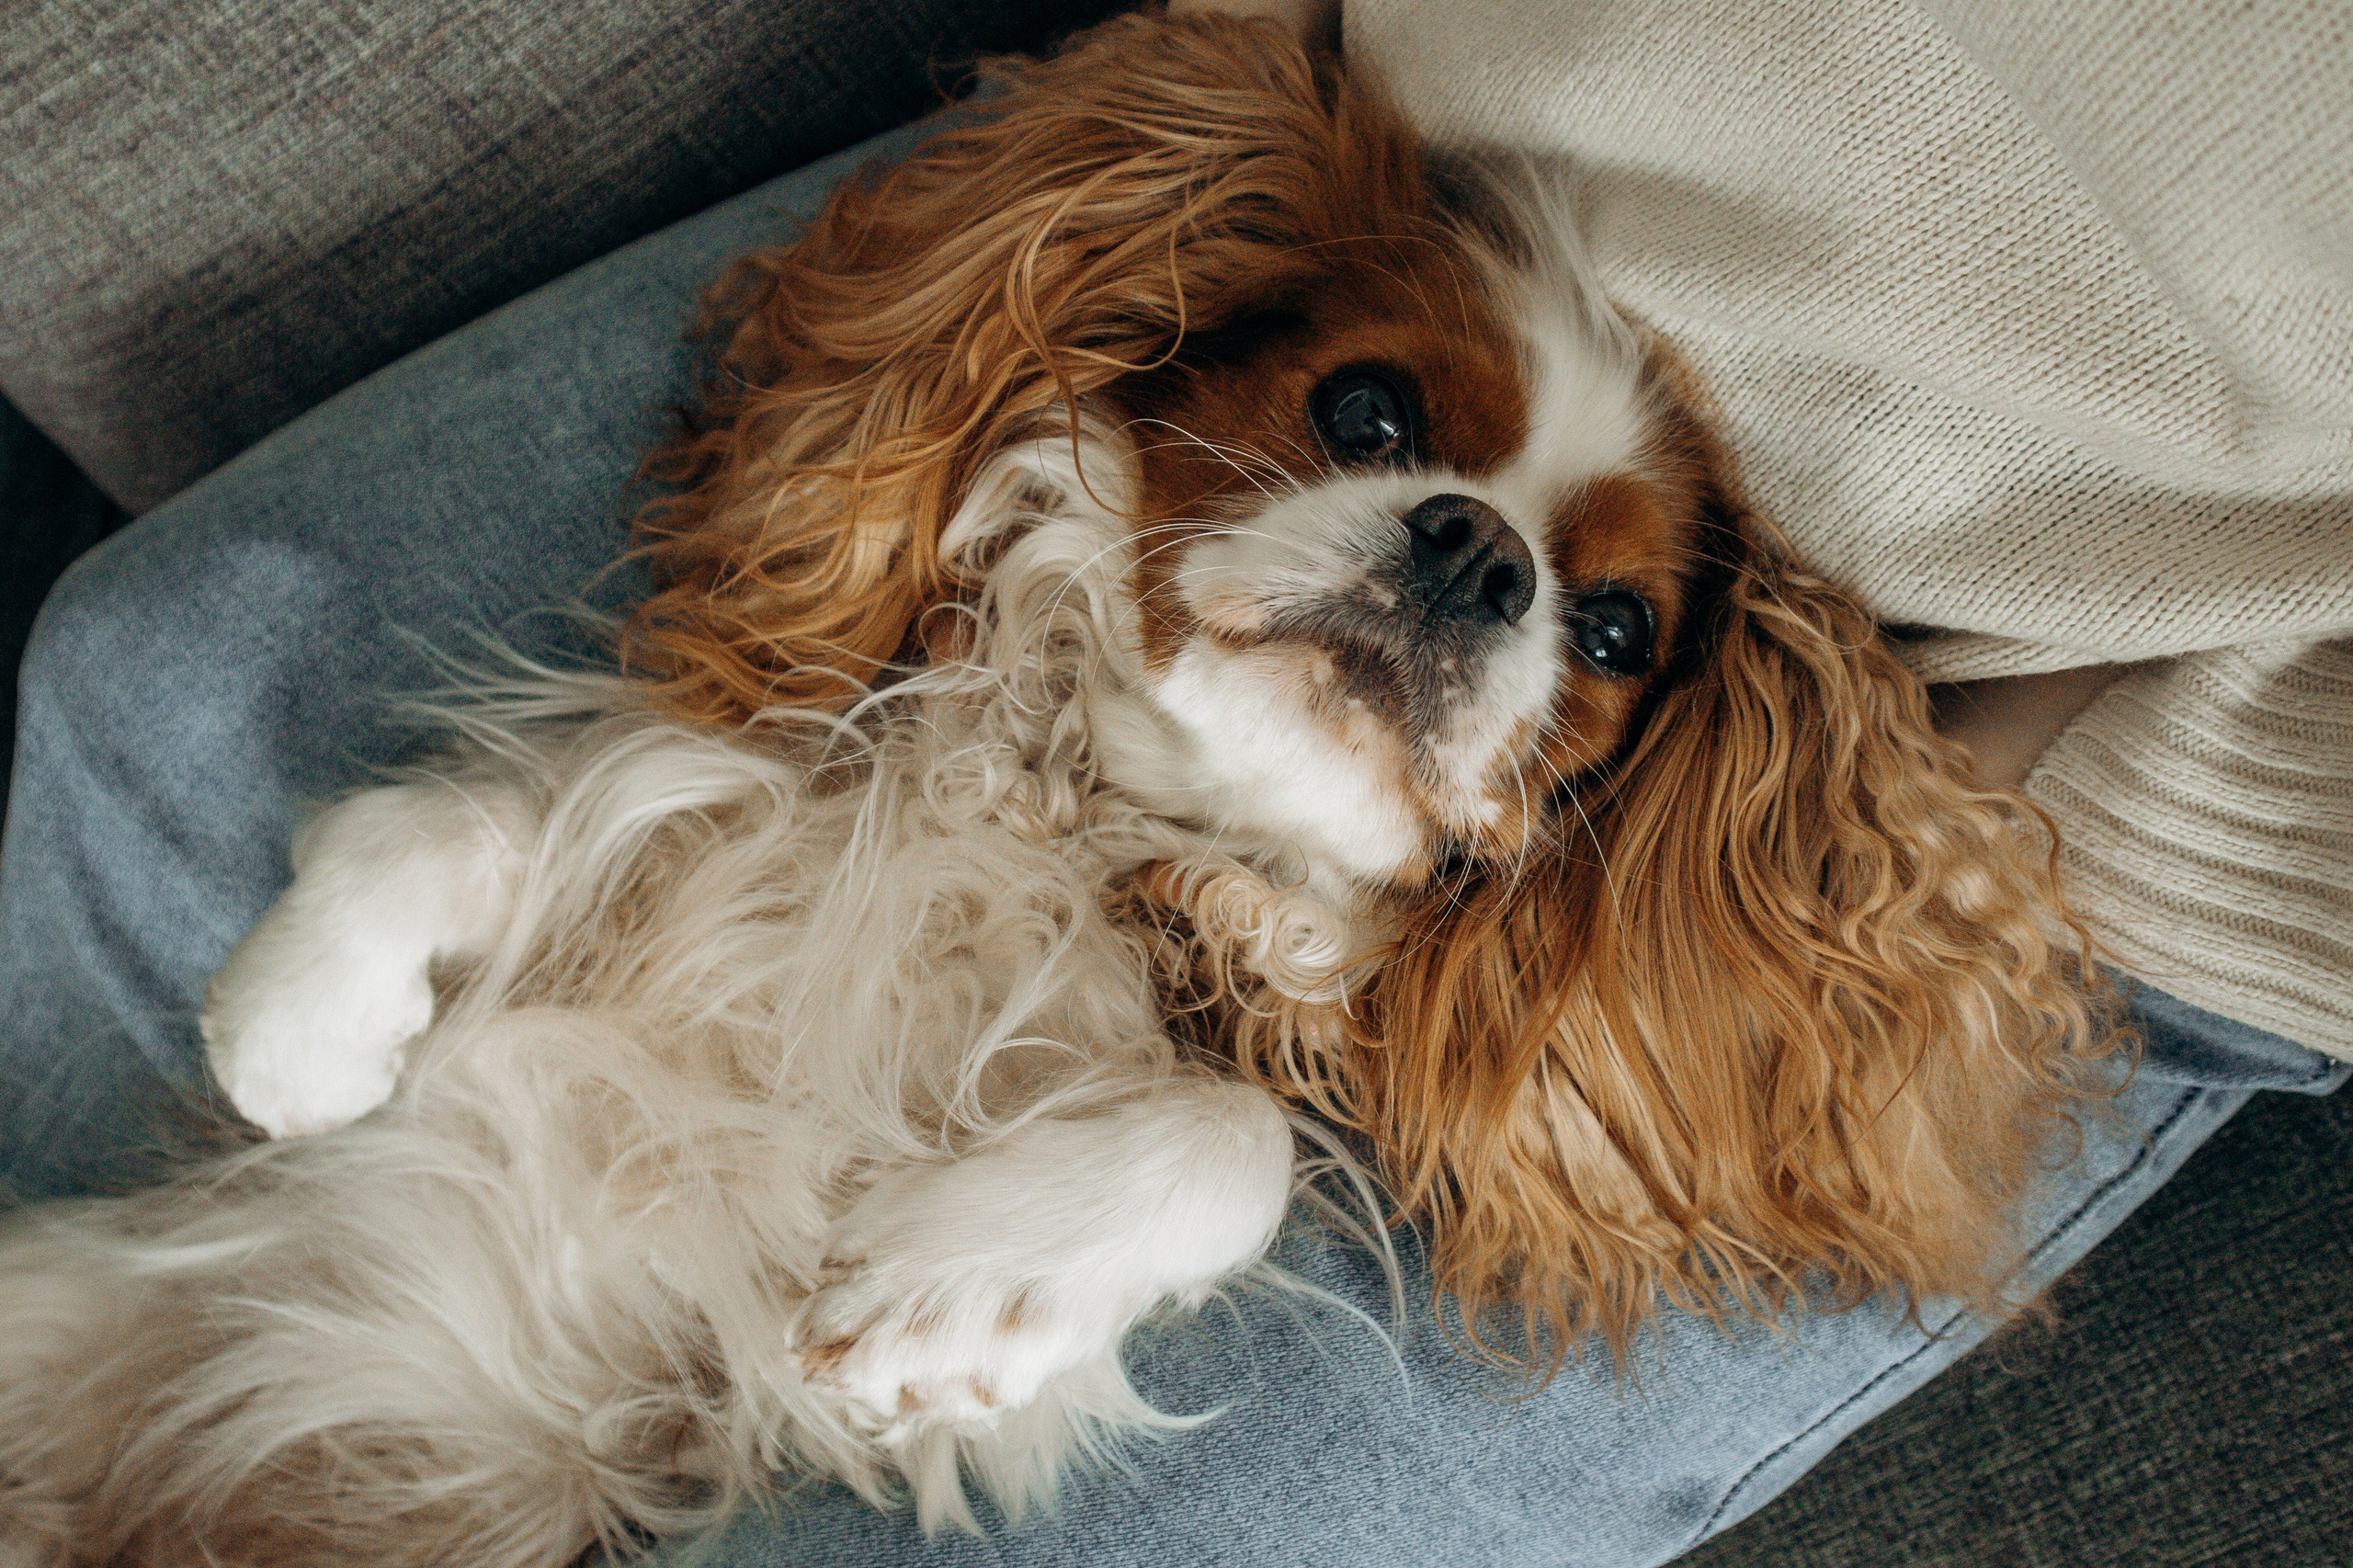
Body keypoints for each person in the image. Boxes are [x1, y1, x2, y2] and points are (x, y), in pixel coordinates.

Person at [5, 6, 2345, 1563]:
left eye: (1583, 620)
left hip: (2048, 729)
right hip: (1389, 145)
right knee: (154, 715)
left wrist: (1201, 1154)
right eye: (1374, 439)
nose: (1473, 558)